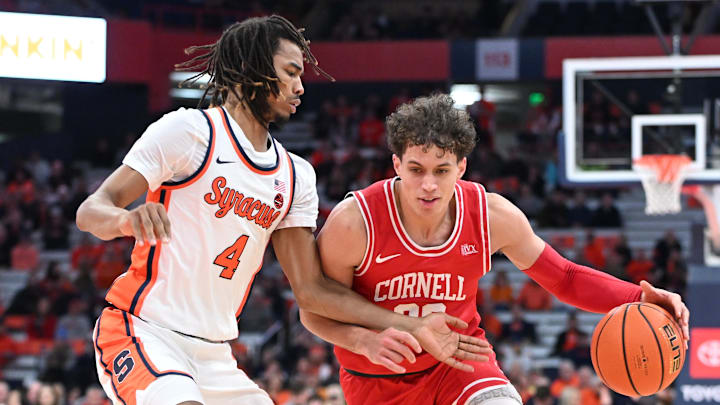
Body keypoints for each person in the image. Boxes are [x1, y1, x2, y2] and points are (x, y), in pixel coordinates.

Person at [76, 17, 486, 405]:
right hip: (143, 331)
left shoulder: (295, 176)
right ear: (247, 67)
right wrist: (125, 220)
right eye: (290, 72)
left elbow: (312, 292)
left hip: (214, 355)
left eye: (300, 75)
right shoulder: (189, 132)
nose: (299, 86)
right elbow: (91, 209)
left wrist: (409, 326)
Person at [300, 94, 690, 405]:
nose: (429, 185)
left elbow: (565, 277)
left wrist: (641, 297)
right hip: (376, 379)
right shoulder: (354, 222)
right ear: (396, 164)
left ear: (462, 167)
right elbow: (313, 309)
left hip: (461, 362)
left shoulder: (492, 216)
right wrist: (361, 340)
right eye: (417, 169)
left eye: (442, 170)